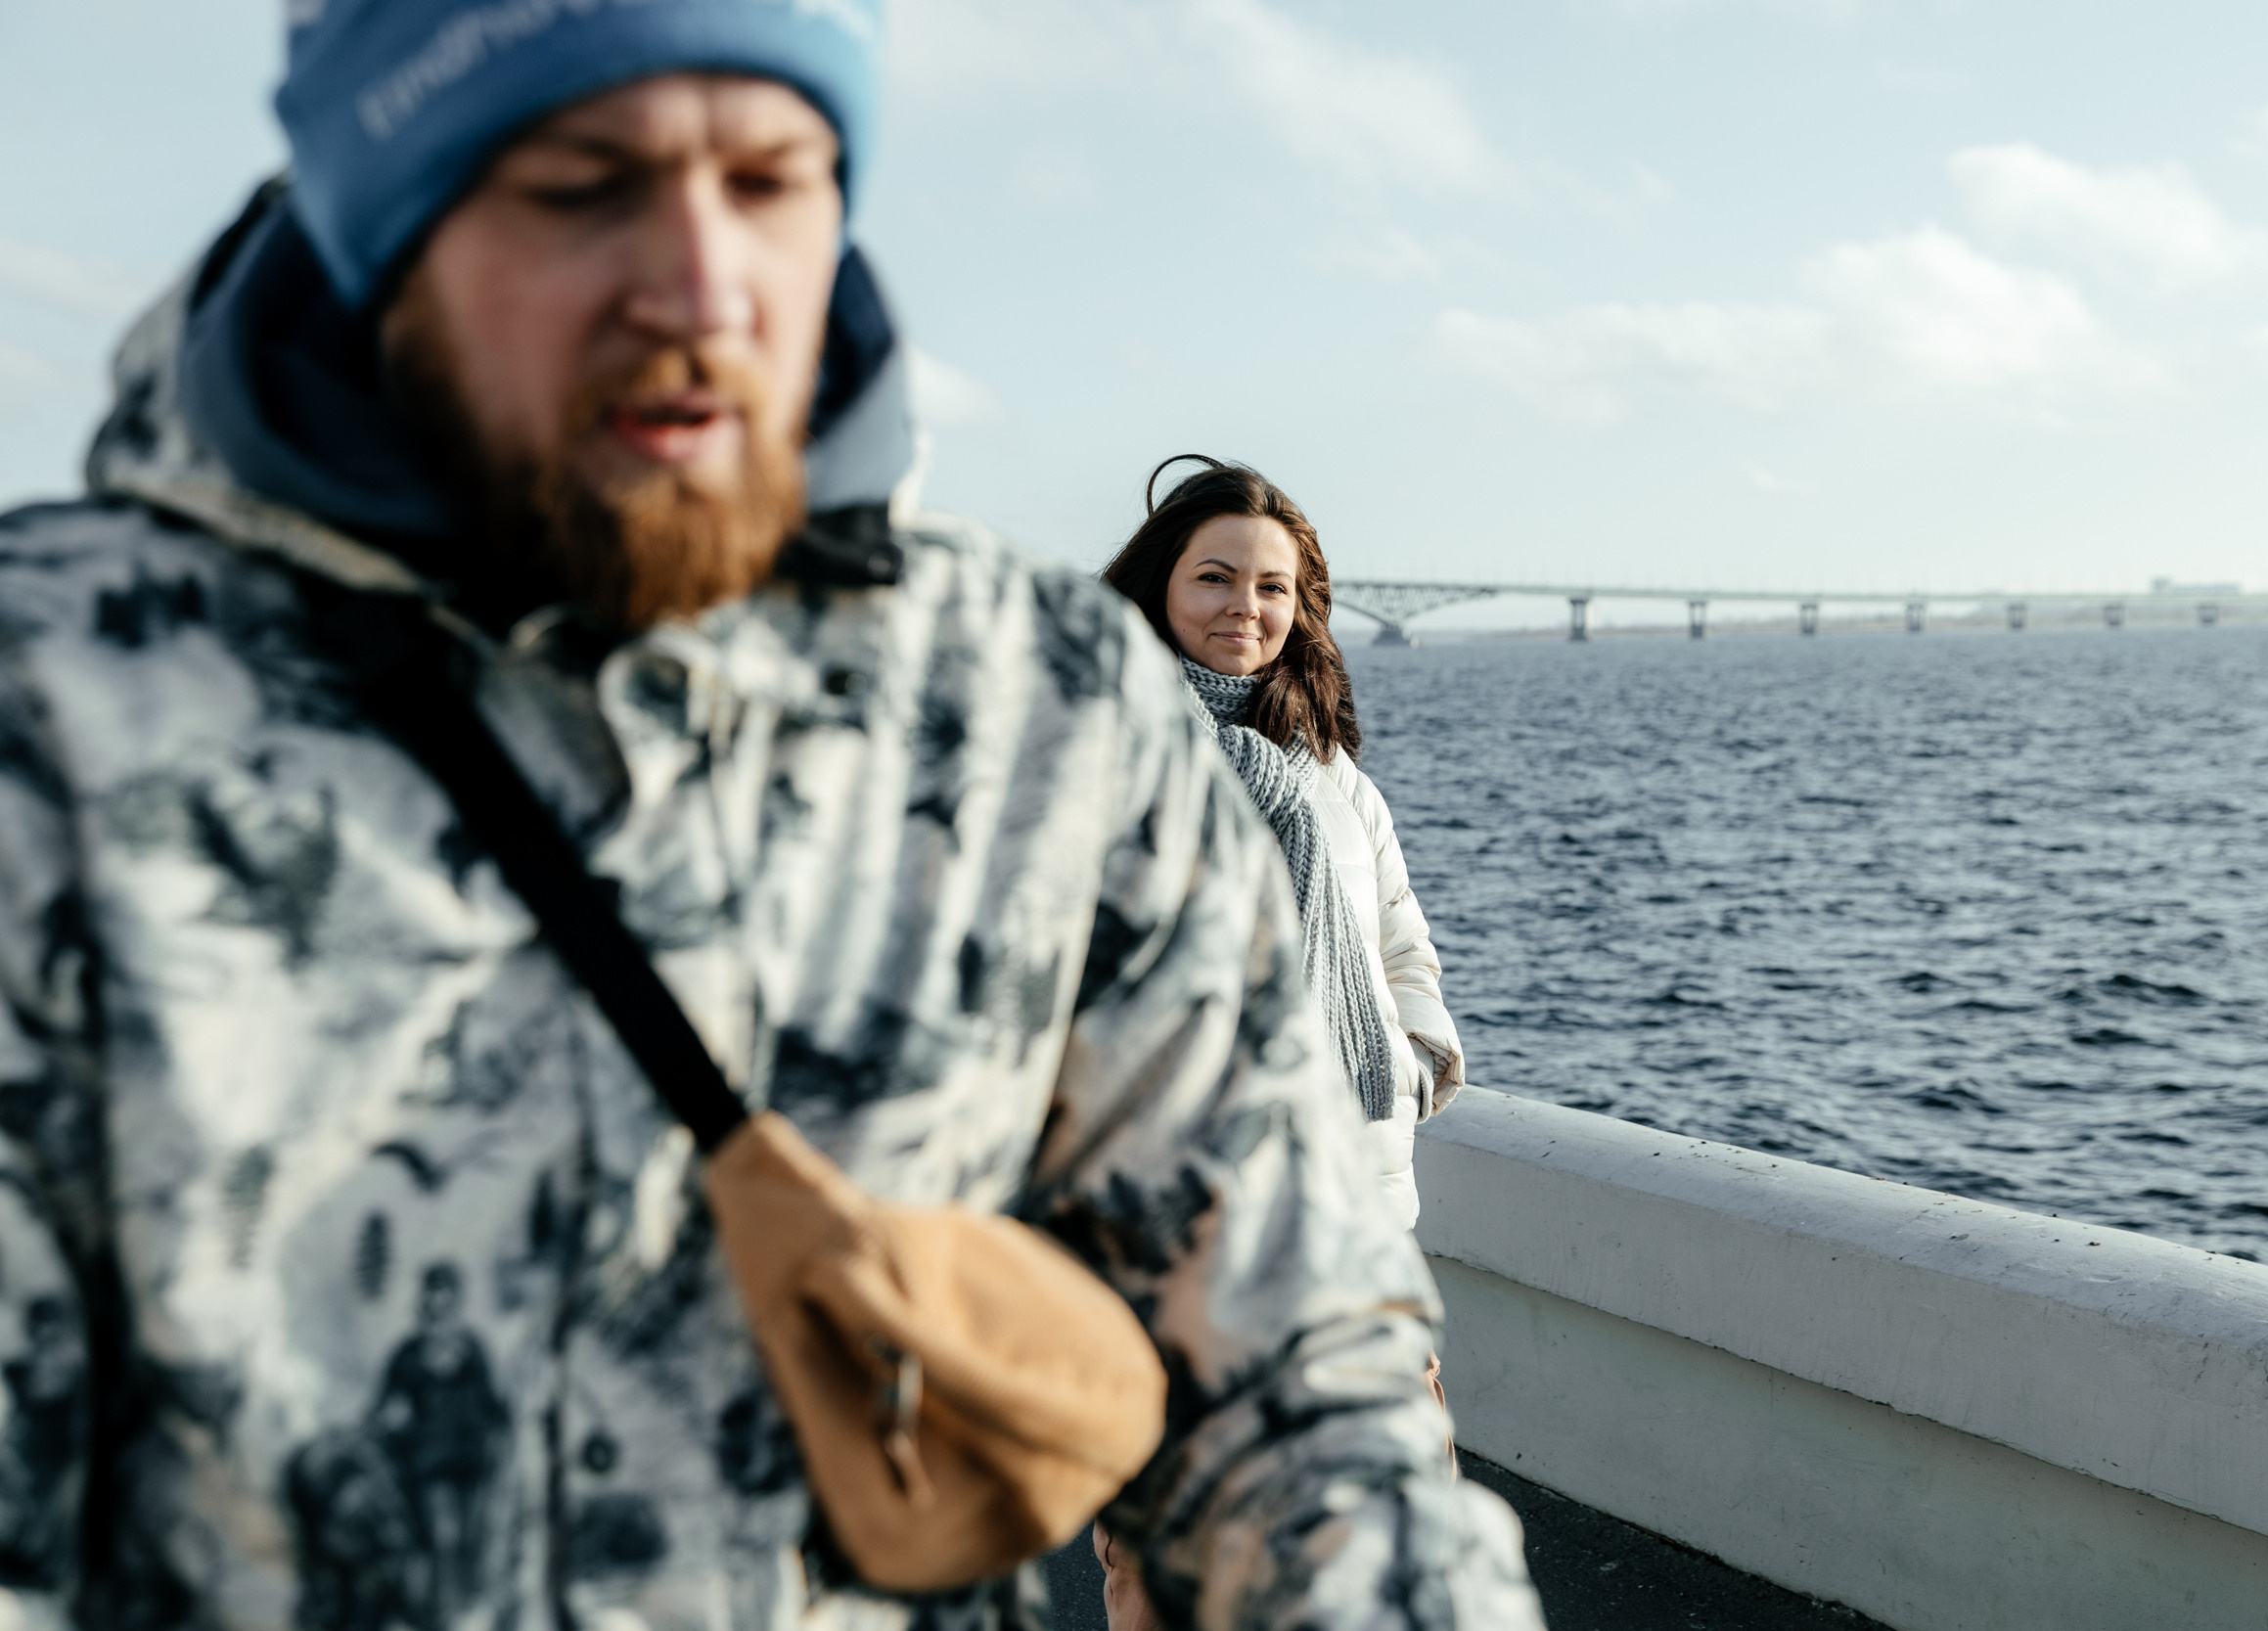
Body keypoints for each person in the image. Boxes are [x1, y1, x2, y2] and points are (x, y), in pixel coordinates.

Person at [0, 4, 1542, 1627]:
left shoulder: (1036, 702)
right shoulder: (62, 727)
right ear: (384, 210)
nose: (703, 285)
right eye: (585, 179)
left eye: (772, 177)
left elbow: (1288, 1376)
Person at [1104, 458, 1468, 1231]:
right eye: (1214, 577)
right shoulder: (1102, 751)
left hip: (1354, 1194)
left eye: (1272, 587)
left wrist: (1411, 1061)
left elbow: (1400, 943)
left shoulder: (1334, 776)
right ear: (1160, 583)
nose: (1245, 606)